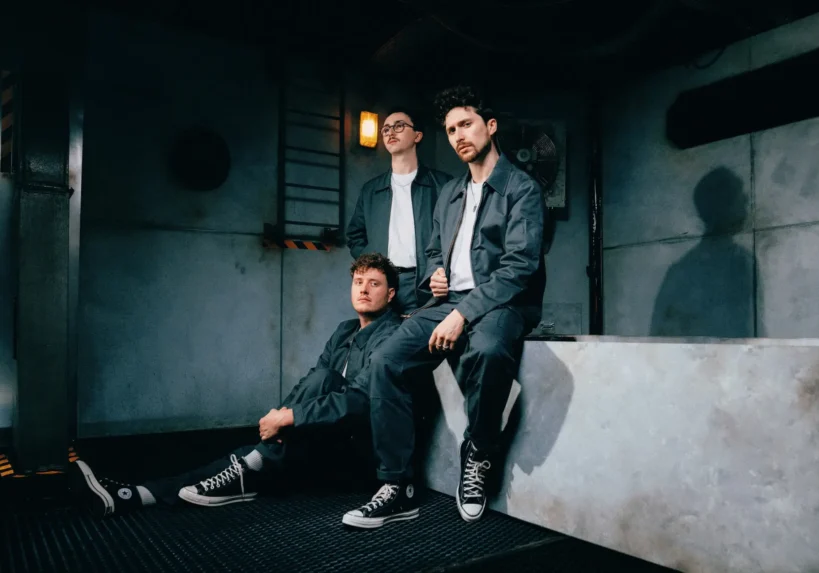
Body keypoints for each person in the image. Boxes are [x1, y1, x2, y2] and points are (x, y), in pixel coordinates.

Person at [342, 86, 546, 529]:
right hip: (447, 301)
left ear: (490, 127)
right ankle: (397, 485)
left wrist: (462, 313)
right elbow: (435, 249)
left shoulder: (521, 188)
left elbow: (518, 267)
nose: (458, 136)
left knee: (489, 352)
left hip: (501, 304)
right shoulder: (451, 192)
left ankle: (479, 449)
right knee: (386, 360)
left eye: (466, 124)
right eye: (451, 129)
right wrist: (436, 274)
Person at [71, 253, 402, 518]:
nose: (363, 289)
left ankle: (249, 463)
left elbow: (360, 402)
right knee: (244, 459)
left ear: (390, 294)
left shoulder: (391, 336)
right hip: (320, 440)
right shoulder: (344, 330)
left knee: (320, 386)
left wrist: (288, 418)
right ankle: (135, 495)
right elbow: (311, 379)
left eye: (374, 284)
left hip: (356, 455)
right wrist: (280, 417)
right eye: (358, 282)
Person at [346, 108, 452, 315]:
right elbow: (355, 235)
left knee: (424, 343)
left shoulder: (443, 185)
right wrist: (372, 265)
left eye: (399, 126)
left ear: (417, 136)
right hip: (382, 281)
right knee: (380, 340)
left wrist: (440, 271)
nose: (390, 132)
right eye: (385, 129)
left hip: (425, 280)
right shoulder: (371, 190)